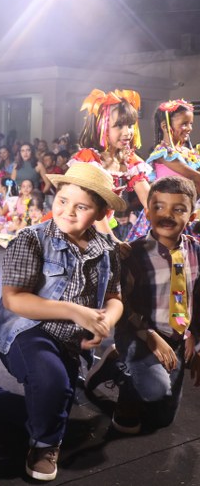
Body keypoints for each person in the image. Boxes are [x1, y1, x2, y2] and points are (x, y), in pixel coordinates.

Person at [0, 162, 126, 482]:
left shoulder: (107, 251)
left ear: (103, 213)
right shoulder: (30, 239)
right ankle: (45, 446)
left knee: (53, 409)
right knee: (53, 388)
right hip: (27, 330)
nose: (68, 211)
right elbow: (14, 300)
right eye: (63, 200)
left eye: (82, 207)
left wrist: (105, 319)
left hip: (71, 341)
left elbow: (114, 297)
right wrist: (75, 312)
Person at [85, 177, 200, 434]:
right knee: (154, 391)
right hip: (137, 332)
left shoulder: (196, 251)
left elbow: (198, 297)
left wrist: (196, 338)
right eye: (159, 207)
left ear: (191, 216)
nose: (167, 215)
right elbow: (122, 304)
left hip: (175, 336)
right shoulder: (132, 254)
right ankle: (121, 372)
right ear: (147, 213)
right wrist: (148, 334)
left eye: (178, 209)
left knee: (162, 419)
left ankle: (119, 362)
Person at [71, 89, 151, 242]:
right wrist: (114, 242)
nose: (127, 132)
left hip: (104, 230)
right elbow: (93, 210)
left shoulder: (129, 159)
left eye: (131, 125)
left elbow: (149, 199)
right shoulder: (89, 159)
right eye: (119, 125)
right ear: (102, 126)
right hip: (78, 230)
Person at [145, 99, 198, 192]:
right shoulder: (163, 154)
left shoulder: (187, 152)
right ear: (165, 126)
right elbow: (195, 176)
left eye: (190, 123)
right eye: (184, 124)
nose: (190, 128)